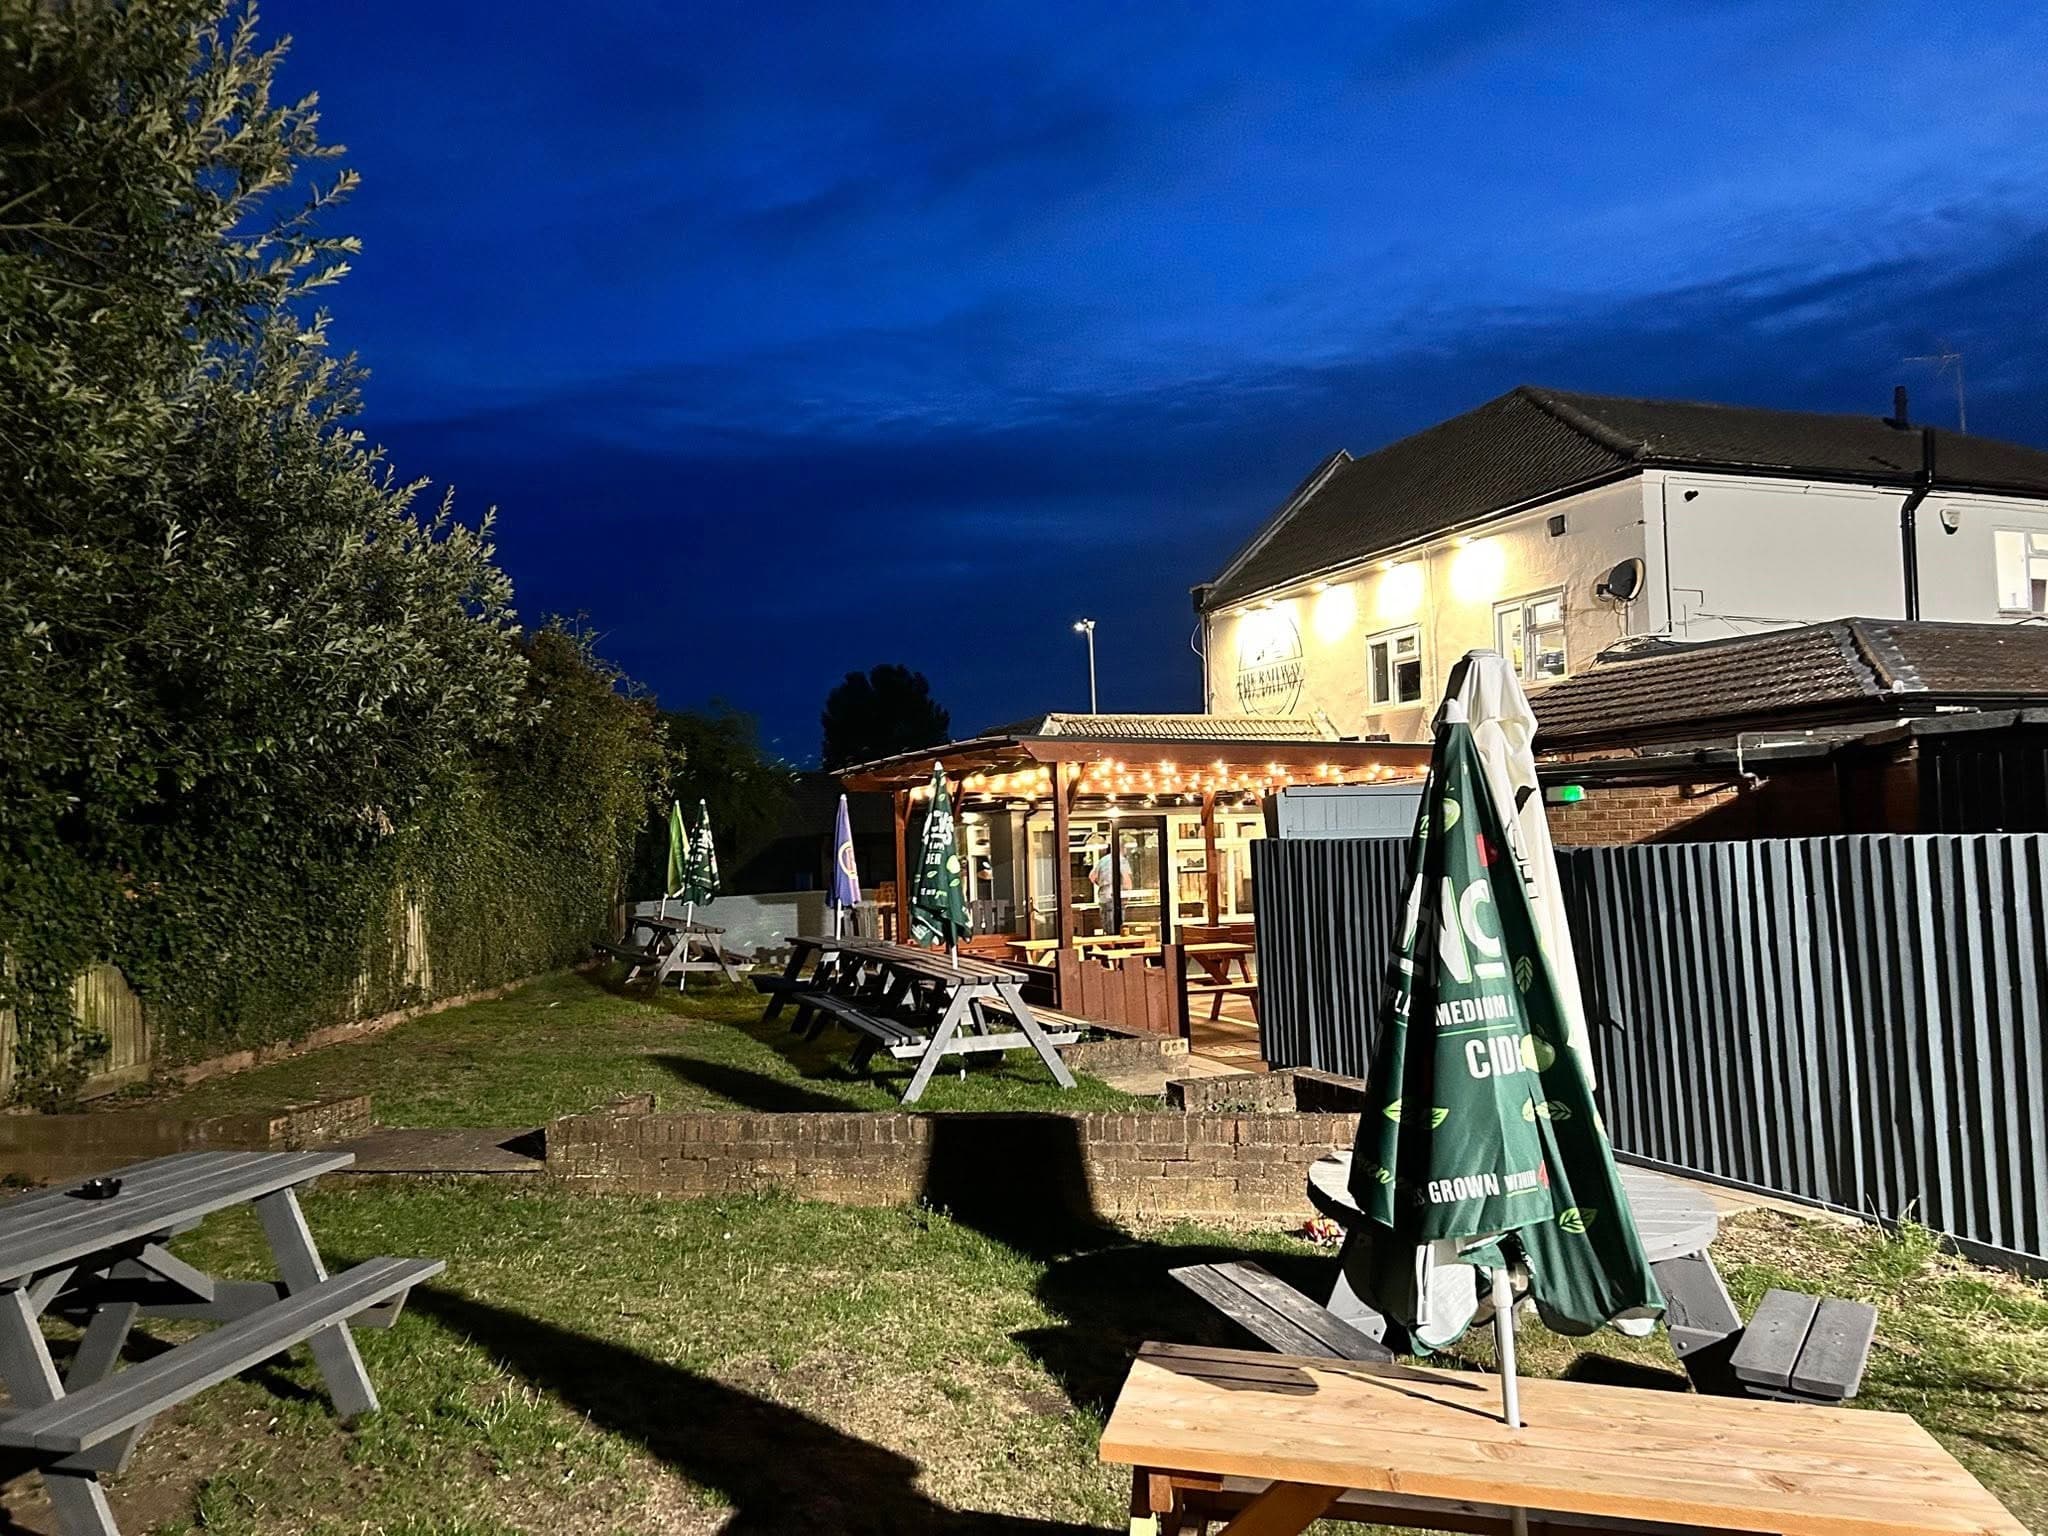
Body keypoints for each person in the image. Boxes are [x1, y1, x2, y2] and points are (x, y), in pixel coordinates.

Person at [1089, 843, 1134, 932]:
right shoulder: (1121, 860)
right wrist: (1128, 893)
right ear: (1122, 849)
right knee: (1117, 928)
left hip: (1103, 897)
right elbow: (1126, 879)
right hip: (1115, 897)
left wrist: (1102, 885)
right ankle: (1117, 944)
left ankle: (1109, 943)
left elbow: (1092, 876)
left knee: (1107, 926)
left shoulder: (1102, 860)